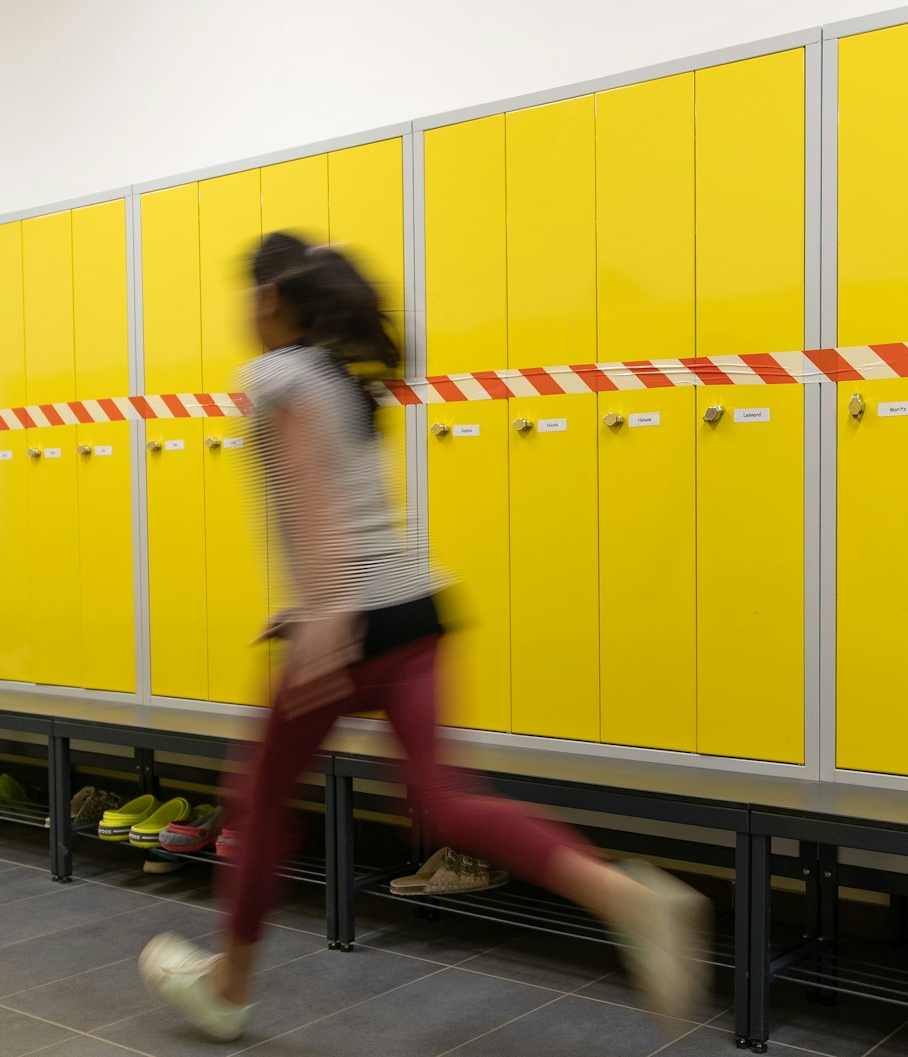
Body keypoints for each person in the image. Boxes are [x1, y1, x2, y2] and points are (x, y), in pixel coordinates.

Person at [138, 231, 710, 1042]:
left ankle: (228, 987)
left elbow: (309, 492)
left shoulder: (276, 375)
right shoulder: (340, 380)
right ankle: (627, 897)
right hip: (417, 611)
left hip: (348, 623)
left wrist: (326, 607)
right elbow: (351, 507)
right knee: (447, 803)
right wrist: (314, 603)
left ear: (268, 300)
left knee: (258, 802)